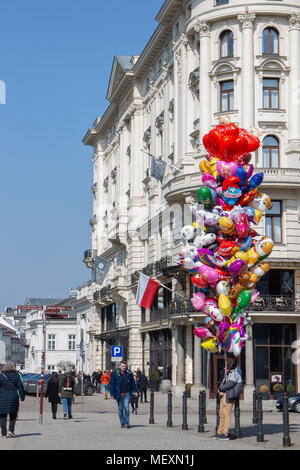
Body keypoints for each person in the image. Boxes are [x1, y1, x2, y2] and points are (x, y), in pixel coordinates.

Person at [216, 354, 243, 440]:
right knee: (221, 413)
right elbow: (224, 381)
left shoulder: (235, 370)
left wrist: (221, 388)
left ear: (232, 359)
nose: (225, 360)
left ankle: (225, 433)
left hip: (230, 394)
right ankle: (219, 432)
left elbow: (231, 383)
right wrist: (220, 389)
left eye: (227, 358)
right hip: (224, 393)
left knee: (226, 414)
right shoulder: (228, 369)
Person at [0, 361, 25, 438]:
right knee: (13, 415)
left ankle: (4, 433)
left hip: (2, 397)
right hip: (13, 397)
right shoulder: (16, 375)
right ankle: (11, 430)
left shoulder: (1, 376)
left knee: (2, 416)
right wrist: (22, 397)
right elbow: (20, 387)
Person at [110, 360, 138, 429]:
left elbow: (132, 383)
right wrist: (112, 393)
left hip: (127, 393)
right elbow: (112, 384)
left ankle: (127, 422)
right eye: (122, 366)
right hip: (118, 394)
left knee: (126, 407)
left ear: (126, 366)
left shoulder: (129, 373)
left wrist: (135, 391)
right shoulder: (115, 373)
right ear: (120, 366)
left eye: (124, 366)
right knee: (120, 410)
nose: (123, 367)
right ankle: (122, 422)